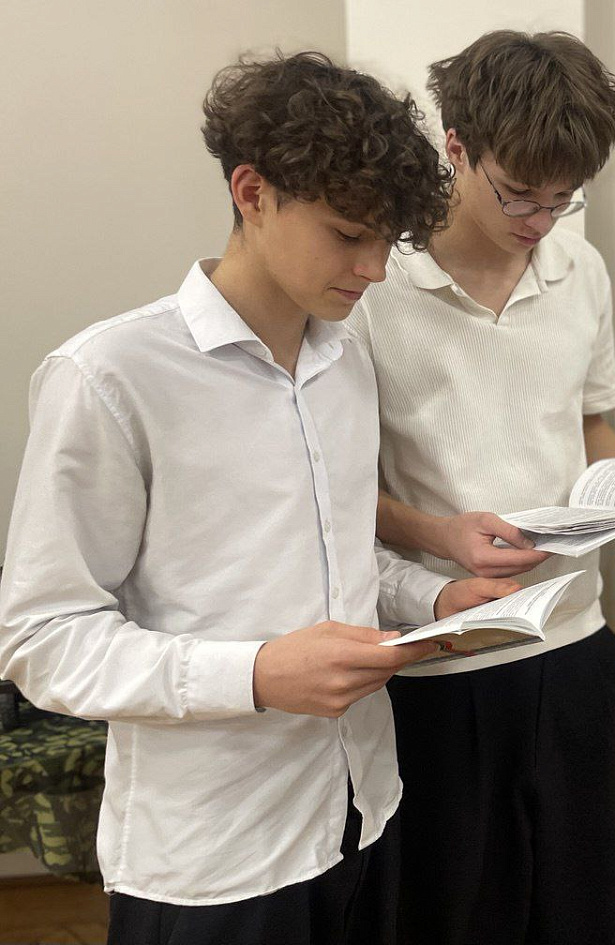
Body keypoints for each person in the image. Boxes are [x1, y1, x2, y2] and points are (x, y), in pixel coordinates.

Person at [0, 51, 515, 945]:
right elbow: (42, 639)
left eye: (386, 240)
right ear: (252, 192)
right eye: (347, 234)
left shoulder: (344, 361)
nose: (374, 269)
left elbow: (337, 552)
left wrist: (434, 599)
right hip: (214, 856)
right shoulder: (111, 377)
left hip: (364, 810)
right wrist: (255, 673)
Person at [348, 30, 615, 945]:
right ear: (457, 147)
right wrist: (439, 532)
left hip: (577, 644)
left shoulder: (580, 271)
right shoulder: (372, 285)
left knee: (599, 913)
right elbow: (332, 484)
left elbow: (588, 425)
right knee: (455, 919)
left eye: (562, 198)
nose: (540, 220)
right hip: (442, 662)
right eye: (518, 194)